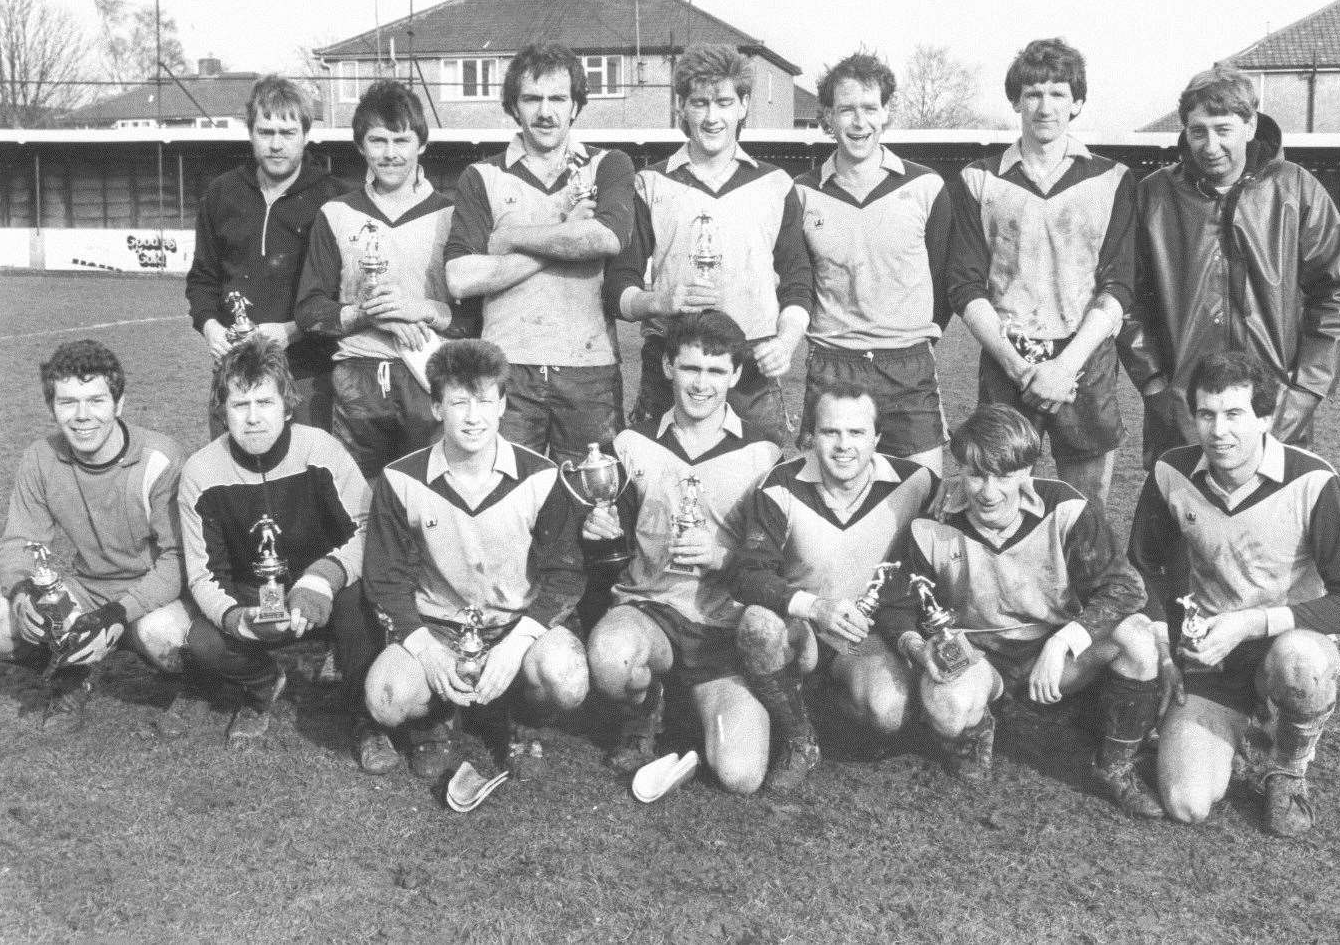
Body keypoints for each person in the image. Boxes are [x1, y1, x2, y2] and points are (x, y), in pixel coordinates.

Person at [1128, 352, 1340, 836]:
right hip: (1210, 658)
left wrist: (1249, 622)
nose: (1219, 430)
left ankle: (1288, 767)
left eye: (1235, 414)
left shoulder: (1313, 481)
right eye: (1207, 414)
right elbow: (1144, 567)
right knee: (1186, 803)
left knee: (1302, 662)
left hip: (1283, 646)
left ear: (1265, 417)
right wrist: (1164, 650)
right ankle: (1234, 733)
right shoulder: (1171, 472)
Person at [878, 404, 1164, 819]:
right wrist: (918, 649)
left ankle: (1115, 767)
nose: (988, 491)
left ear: (1028, 471)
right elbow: (896, 606)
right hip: (981, 658)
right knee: (948, 709)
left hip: (1054, 656)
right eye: (975, 473)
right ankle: (979, 729)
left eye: (1004, 475)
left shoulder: (1066, 509)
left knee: (1137, 637)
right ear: (959, 468)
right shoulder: (931, 524)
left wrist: (1065, 640)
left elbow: (1124, 588)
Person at [362, 339, 588, 783]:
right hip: (441, 625)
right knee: (385, 699)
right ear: (436, 407)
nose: (472, 416)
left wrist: (520, 642)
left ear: (503, 404)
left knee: (567, 680)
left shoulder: (542, 477)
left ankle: (520, 722)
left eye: (485, 400)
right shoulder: (399, 479)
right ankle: (435, 722)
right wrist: (425, 648)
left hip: (515, 624)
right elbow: (385, 580)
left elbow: (565, 575)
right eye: (458, 402)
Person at [1119, 64, 1340, 465]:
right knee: (1184, 520)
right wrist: (1155, 385)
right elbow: (1124, 295)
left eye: (1223, 129)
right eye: (1198, 131)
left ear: (1250, 126)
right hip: (1182, 413)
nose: (1210, 145)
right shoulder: (1153, 196)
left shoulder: (1294, 188)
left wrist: (1307, 389)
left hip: (1275, 410)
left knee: (1273, 520)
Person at [584, 311, 783, 794]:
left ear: (736, 375)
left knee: (740, 776)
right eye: (691, 368)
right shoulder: (632, 445)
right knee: (611, 659)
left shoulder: (765, 453)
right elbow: (615, 545)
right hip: (650, 610)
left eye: (717, 371)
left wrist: (721, 557)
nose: (702, 384)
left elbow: (775, 563)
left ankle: (694, 707)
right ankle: (646, 704)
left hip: (722, 627)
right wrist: (601, 530)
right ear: (669, 367)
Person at [177, 337, 392, 768]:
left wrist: (322, 579)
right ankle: (260, 687)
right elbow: (203, 573)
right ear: (222, 410)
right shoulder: (200, 471)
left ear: (287, 404)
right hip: (256, 602)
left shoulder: (322, 450)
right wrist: (235, 619)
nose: (253, 418)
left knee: (361, 600)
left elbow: (368, 529)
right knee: (201, 641)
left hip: (320, 598)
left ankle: (366, 717)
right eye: (240, 405)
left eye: (265, 402)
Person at [947, 38, 1134, 507]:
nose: (1044, 106)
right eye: (1032, 93)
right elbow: (965, 284)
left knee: (1086, 508)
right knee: (998, 499)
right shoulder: (978, 179)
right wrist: (1019, 365)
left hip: (1084, 362)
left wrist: (1065, 365)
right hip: (1008, 361)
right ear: (1015, 101)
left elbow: (1120, 284)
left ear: (1078, 102)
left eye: (1057, 93)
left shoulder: (1112, 179)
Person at [732, 382, 939, 792]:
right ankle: (798, 737)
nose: (844, 445)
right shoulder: (778, 486)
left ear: (877, 438)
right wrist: (816, 607)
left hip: (865, 637)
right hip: (803, 629)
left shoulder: (918, 483)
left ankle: (819, 708)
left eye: (857, 433)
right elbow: (748, 575)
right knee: (758, 625)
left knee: (889, 711)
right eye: (830, 432)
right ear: (811, 435)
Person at [603, 43, 812, 447]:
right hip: (672, 363)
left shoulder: (775, 184)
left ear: (744, 105)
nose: (712, 117)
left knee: (757, 491)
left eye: (723, 102)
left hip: (751, 368)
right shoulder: (650, 183)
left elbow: (798, 282)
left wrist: (785, 342)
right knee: (661, 487)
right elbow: (618, 288)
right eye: (699, 103)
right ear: (681, 106)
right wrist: (660, 301)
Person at [444, 43, 635, 466]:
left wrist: (512, 237)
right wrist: (566, 237)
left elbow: (605, 239)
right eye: (532, 99)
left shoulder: (608, 165)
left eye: (558, 99)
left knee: (591, 504)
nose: (545, 112)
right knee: (507, 498)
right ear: (513, 106)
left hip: (590, 367)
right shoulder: (482, 176)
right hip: (506, 367)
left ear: (576, 107)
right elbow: (460, 277)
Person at [0, 340, 196, 732]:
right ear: (52, 406)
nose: (82, 416)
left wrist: (117, 615)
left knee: (163, 635)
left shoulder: (160, 458)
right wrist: (21, 595)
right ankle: (72, 673)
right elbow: (18, 542)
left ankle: (191, 685)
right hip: (87, 586)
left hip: (154, 594)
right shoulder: (40, 456)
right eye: (68, 402)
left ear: (119, 404)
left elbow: (176, 562)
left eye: (96, 401)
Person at [294, 80, 468, 479]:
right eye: (378, 141)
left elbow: (472, 315)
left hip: (430, 375)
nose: (390, 154)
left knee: (430, 503)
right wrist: (372, 315)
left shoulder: (450, 215)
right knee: (360, 505)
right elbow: (309, 310)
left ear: (421, 144)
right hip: (359, 380)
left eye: (402, 140)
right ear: (360, 146)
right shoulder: (336, 214)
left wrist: (420, 313)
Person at [795, 51, 953, 473]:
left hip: (907, 366)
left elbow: (943, 281)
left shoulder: (926, 187)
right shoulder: (802, 194)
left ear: (887, 113)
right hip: (833, 364)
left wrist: (906, 335)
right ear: (827, 116)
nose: (859, 122)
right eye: (846, 109)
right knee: (829, 500)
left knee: (924, 494)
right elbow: (799, 282)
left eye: (870, 108)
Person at [185, 74, 350, 431]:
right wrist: (211, 328)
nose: (276, 144)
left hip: (309, 374)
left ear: (306, 135)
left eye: (288, 133)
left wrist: (292, 332)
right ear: (250, 133)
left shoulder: (335, 200)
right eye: (266, 132)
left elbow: (343, 293)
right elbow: (202, 278)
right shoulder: (221, 194)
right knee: (231, 480)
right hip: (236, 374)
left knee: (304, 480)